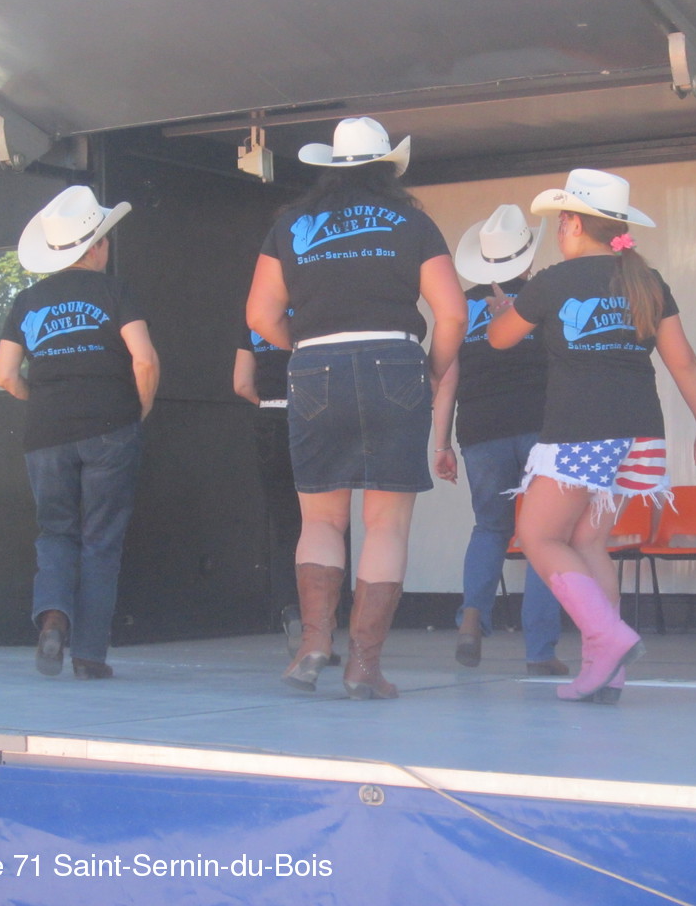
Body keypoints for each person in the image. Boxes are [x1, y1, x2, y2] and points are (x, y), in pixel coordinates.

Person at [246, 116, 467, 700]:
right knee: (386, 524)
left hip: (315, 366)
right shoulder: (413, 223)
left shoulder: (290, 225)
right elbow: (452, 314)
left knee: (320, 520)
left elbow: (259, 315)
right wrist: (433, 369)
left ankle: (313, 643)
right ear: (388, 170)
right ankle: (364, 667)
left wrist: (308, 346)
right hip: (394, 360)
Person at [489, 169, 696, 704]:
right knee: (590, 541)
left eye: (560, 222)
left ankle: (607, 635)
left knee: (538, 536)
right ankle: (607, 673)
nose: (558, 231)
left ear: (574, 224)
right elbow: (683, 362)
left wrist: (504, 311)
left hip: (580, 430)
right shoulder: (647, 280)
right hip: (639, 432)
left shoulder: (553, 281)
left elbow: (500, 339)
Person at [0, 185, 160, 680]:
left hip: (46, 433)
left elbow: (4, 374)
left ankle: (53, 618)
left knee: (56, 531)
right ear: (97, 246)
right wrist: (139, 407)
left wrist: (41, 399)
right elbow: (144, 360)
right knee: (101, 540)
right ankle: (89, 656)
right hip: (111, 426)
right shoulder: (115, 291)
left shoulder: (27, 301)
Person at [432, 205, 568, 676]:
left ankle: (472, 617)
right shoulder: (544, 296)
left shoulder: (461, 307)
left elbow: (446, 378)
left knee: (490, 527)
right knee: (544, 536)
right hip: (541, 427)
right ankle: (541, 651)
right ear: (527, 254)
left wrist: (441, 444)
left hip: (480, 430)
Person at [232, 319, 340, 665]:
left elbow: (241, 384)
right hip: (314, 417)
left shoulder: (253, 321)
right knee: (324, 526)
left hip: (269, 419)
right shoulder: (313, 310)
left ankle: (291, 612)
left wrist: (268, 403)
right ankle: (321, 628)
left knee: (285, 528)